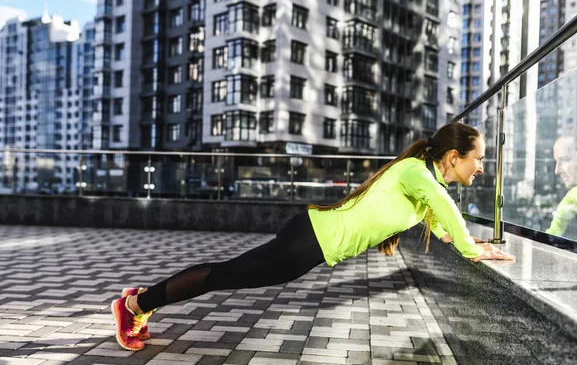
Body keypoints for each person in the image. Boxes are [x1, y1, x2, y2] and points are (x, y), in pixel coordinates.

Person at [111, 122, 515, 351]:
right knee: (222, 276)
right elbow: (445, 209)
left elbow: (442, 223)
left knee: (226, 275)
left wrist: (469, 244)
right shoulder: (416, 173)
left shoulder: (422, 179)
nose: (481, 167)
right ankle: (134, 303)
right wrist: (472, 250)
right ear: (453, 158)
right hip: (308, 241)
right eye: (478, 159)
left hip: (310, 241)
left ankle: (144, 298)